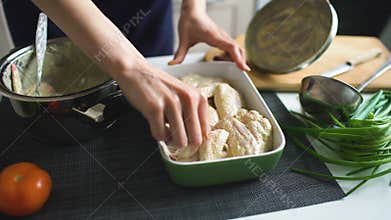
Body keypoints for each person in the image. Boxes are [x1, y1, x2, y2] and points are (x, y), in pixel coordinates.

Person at [4, 0, 250, 148]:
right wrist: (133, 68)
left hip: (143, 11)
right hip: (61, 12)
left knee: (155, 106)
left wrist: (194, 8)